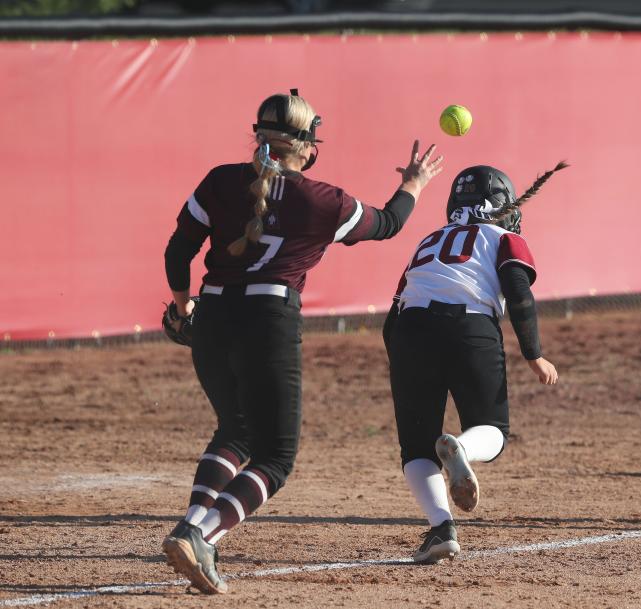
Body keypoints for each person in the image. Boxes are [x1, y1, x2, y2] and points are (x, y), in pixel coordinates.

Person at [160, 89, 443, 593]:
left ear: (258, 138)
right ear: (308, 148)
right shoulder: (322, 200)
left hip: (215, 311)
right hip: (268, 315)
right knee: (275, 457)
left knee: (236, 429)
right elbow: (389, 223)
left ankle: (194, 528)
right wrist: (414, 183)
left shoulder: (221, 180)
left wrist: (185, 308)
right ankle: (199, 533)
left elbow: (177, 251)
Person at [383, 162, 566, 563]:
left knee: (415, 446)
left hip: (410, 331)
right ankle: (461, 448)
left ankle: (441, 528)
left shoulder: (430, 240)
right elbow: (519, 294)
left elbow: (395, 311)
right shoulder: (503, 238)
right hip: (469, 326)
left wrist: (399, 356)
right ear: (502, 204)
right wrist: (534, 354)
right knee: (494, 433)